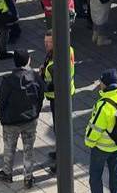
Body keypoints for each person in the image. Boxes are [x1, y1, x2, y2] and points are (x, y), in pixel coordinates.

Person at [0, 50, 45, 187]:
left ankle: (7, 173)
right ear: (28, 60)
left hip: (11, 121)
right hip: (30, 119)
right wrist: (36, 112)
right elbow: (41, 95)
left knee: (9, 148)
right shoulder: (35, 77)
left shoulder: (8, 80)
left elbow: (1, 101)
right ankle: (28, 178)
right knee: (29, 149)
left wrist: (2, 117)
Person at [85, 68, 117, 193]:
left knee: (95, 176)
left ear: (105, 84)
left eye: (100, 82)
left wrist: (89, 142)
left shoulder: (103, 105)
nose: (99, 85)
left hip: (102, 147)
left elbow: (95, 128)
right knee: (116, 172)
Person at [40, 32, 75, 163]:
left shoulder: (56, 64)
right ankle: (60, 152)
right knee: (60, 128)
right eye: (45, 42)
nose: (46, 45)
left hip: (58, 98)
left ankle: (62, 161)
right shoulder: (67, 49)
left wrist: (40, 81)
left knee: (59, 129)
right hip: (65, 94)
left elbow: (54, 86)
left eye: (49, 42)